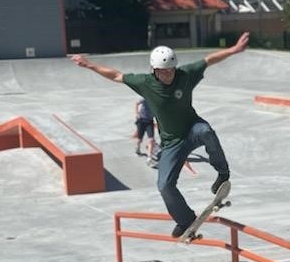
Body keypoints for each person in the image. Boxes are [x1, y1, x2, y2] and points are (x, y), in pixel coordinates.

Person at [70, 32, 249, 237]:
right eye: (163, 72)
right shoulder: (145, 82)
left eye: (171, 70)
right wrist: (90, 65)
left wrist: (233, 50)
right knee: (164, 186)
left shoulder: (185, 75)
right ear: (154, 71)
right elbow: (116, 75)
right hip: (171, 143)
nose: (168, 75)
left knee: (207, 131)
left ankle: (222, 174)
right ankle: (185, 220)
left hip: (193, 129)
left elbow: (209, 60)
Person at [134, 98, 157, 166]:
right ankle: (137, 147)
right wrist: (137, 113)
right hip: (141, 120)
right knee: (140, 139)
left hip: (150, 121)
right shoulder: (146, 97)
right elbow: (136, 103)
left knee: (151, 139)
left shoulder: (157, 100)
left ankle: (149, 158)